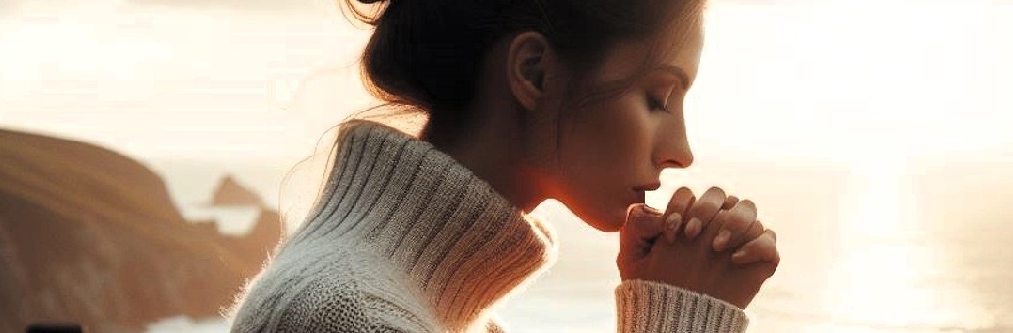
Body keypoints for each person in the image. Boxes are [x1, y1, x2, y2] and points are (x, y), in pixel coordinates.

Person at [228, 0, 781, 331]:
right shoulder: (347, 316)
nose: (681, 150)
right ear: (535, 73)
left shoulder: (430, 311)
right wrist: (681, 315)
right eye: (658, 99)